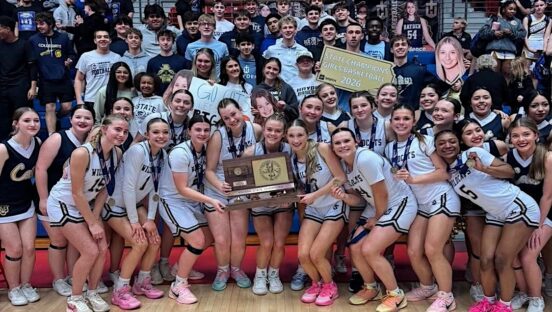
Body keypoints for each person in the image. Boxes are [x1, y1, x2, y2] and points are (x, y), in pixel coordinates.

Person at [434, 129, 539, 312]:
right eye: (441, 143)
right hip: (495, 213)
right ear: (436, 148)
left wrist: (484, 168)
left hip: (517, 206)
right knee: (485, 259)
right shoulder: (448, 173)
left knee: (502, 259)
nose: (447, 146)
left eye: (452, 141)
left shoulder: (474, 153)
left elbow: (508, 172)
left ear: (459, 143)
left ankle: (504, 305)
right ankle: (488, 301)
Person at [330, 127, 417, 311]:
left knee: (370, 249)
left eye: (346, 141)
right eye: (337, 143)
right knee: (355, 246)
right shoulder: (346, 165)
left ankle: (395, 294)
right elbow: (360, 198)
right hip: (376, 205)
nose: (342, 145)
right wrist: (344, 197)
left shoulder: (366, 158)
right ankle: (371, 288)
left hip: (399, 203)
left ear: (356, 142)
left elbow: (381, 192)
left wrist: (377, 218)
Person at [47, 114, 128, 312]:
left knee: (102, 247)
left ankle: (92, 293)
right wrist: (91, 222)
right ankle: (74, 299)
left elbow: (104, 188)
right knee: (90, 250)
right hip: (63, 203)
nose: (122, 134)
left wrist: (97, 217)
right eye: (117, 129)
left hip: (86, 205)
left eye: (125, 131)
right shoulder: (83, 153)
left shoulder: (117, 153)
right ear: (104, 129)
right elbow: (76, 193)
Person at [386, 105, 461, 310]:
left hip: (441, 197)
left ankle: (446, 296)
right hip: (420, 204)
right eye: (397, 119)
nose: (401, 123)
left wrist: (414, 179)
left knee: (433, 249)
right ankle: (428, 287)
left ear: (413, 122)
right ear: (391, 122)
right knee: (413, 251)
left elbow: (443, 171)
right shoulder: (389, 148)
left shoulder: (425, 141)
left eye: (406, 119)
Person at [159, 115, 223, 304]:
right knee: (196, 239)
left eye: (206, 130)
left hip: (190, 200)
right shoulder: (180, 153)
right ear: (189, 131)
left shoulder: (204, 149)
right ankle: (178, 285)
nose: (202, 133)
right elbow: (181, 188)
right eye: (198, 130)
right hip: (173, 200)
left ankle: (180, 268)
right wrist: (211, 200)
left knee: (208, 236)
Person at [108, 118, 168, 309]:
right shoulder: (136, 151)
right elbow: (128, 187)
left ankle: (142, 282)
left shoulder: (163, 155)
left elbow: (155, 189)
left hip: (134, 205)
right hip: (115, 205)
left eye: (165, 132)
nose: (161, 136)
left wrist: (150, 219)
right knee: (139, 242)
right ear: (147, 134)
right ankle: (120, 291)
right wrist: (135, 222)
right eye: (156, 132)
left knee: (154, 240)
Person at [35, 105, 95, 297]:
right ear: (70, 119)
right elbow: (40, 169)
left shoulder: (91, 143)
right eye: (78, 117)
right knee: (58, 240)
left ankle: (72, 276)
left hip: (74, 200)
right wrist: (43, 198)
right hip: (53, 198)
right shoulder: (58, 138)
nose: (82, 121)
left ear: (93, 122)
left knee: (73, 242)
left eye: (87, 118)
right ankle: (58, 279)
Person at [204, 98, 262, 291]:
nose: (231, 119)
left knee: (238, 237)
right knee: (222, 239)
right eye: (226, 117)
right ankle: (222, 270)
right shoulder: (217, 136)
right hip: (217, 188)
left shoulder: (256, 130)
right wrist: (220, 185)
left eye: (234, 114)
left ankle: (236, 269)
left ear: (241, 110)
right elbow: (209, 170)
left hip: (242, 188)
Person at [287, 119, 346, 306]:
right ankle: (316, 283)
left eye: (300, 135)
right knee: (303, 255)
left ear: (307, 135)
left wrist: (315, 195)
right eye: (291, 136)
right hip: (314, 207)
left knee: (317, 254)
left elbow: (340, 178)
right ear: (285, 137)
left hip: (333, 203)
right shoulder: (291, 158)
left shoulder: (322, 148)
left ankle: (330, 286)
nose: (296, 140)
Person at [242, 113, 292, 296]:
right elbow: (240, 183)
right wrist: (251, 196)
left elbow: (299, 178)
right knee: (267, 242)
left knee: (279, 243)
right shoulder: (250, 151)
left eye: (277, 130)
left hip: (283, 203)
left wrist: (290, 195)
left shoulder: (290, 149)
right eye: (269, 129)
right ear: (263, 128)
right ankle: (260, 275)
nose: (272, 133)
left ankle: (274, 274)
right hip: (260, 203)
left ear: (284, 133)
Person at [506, 118, 551, 312]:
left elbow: (548, 197)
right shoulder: (508, 157)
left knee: (528, 256)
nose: (521, 139)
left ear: (536, 135)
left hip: (545, 214)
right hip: (521, 214)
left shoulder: (547, 158)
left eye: (526, 134)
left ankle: (536, 298)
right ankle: (525, 292)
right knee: (512, 255)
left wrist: (538, 227)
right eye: (515, 135)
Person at [0, 107, 41, 306]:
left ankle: (26, 284)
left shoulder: (38, 143)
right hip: (3, 207)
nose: (33, 124)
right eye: (27, 120)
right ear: (16, 124)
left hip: (26, 203)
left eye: (36, 120)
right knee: (14, 249)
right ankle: (14, 288)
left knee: (29, 248)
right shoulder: (3, 148)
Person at [27, 12, 75, 136]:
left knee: (67, 107)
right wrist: (34, 84)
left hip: (63, 77)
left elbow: (72, 54)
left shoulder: (63, 38)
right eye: (37, 24)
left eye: (42, 24)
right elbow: (32, 62)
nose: (39, 26)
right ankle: (51, 136)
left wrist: (70, 60)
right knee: (50, 107)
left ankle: (56, 118)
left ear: (51, 24)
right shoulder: (33, 40)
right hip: (45, 79)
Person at [0, 16, 34, 141]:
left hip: (20, 87)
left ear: (7, 29)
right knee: (3, 119)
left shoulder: (24, 44)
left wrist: (33, 86)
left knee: (21, 116)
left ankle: (23, 143)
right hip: (3, 87)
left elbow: (32, 67)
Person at [479, 0, 526, 77]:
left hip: (510, 52)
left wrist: (511, 33)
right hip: (495, 51)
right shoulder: (494, 19)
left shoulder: (517, 22)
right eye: (510, 9)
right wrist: (494, 33)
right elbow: (482, 33)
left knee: (507, 76)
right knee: (493, 76)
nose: (513, 11)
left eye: (515, 9)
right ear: (503, 10)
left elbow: (522, 35)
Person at [74, 29, 121, 106]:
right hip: (91, 99)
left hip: (111, 99)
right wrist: (79, 99)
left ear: (110, 40)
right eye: (99, 37)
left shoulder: (117, 57)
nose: (102, 39)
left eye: (105, 37)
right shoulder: (86, 56)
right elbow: (79, 79)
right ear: (95, 41)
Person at [391, 35, 438, 109]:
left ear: (408, 48)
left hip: (414, 113)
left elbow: (440, 87)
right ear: (391, 49)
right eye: (397, 45)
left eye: (403, 44)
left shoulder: (420, 70)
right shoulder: (385, 70)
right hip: (390, 114)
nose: (400, 47)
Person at [262, 16, 308, 83]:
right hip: (278, 87)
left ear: (296, 30)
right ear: (280, 30)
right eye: (285, 28)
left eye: (290, 27)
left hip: (297, 88)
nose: (288, 30)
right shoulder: (271, 49)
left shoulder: (303, 51)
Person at [184, 14, 229, 78]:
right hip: (197, 82)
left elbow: (226, 67)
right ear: (199, 27)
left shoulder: (223, 46)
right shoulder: (190, 47)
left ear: (214, 27)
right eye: (203, 24)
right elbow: (188, 68)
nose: (206, 26)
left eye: (210, 24)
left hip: (217, 83)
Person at [146, 29, 186, 96]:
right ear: (158, 41)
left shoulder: (182, 61)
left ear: (173, 42)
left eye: (168, 39)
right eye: (162, 39)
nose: (165, 42)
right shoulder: (152, 62)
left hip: (177, 97)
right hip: (157, 97)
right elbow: (149, 81)